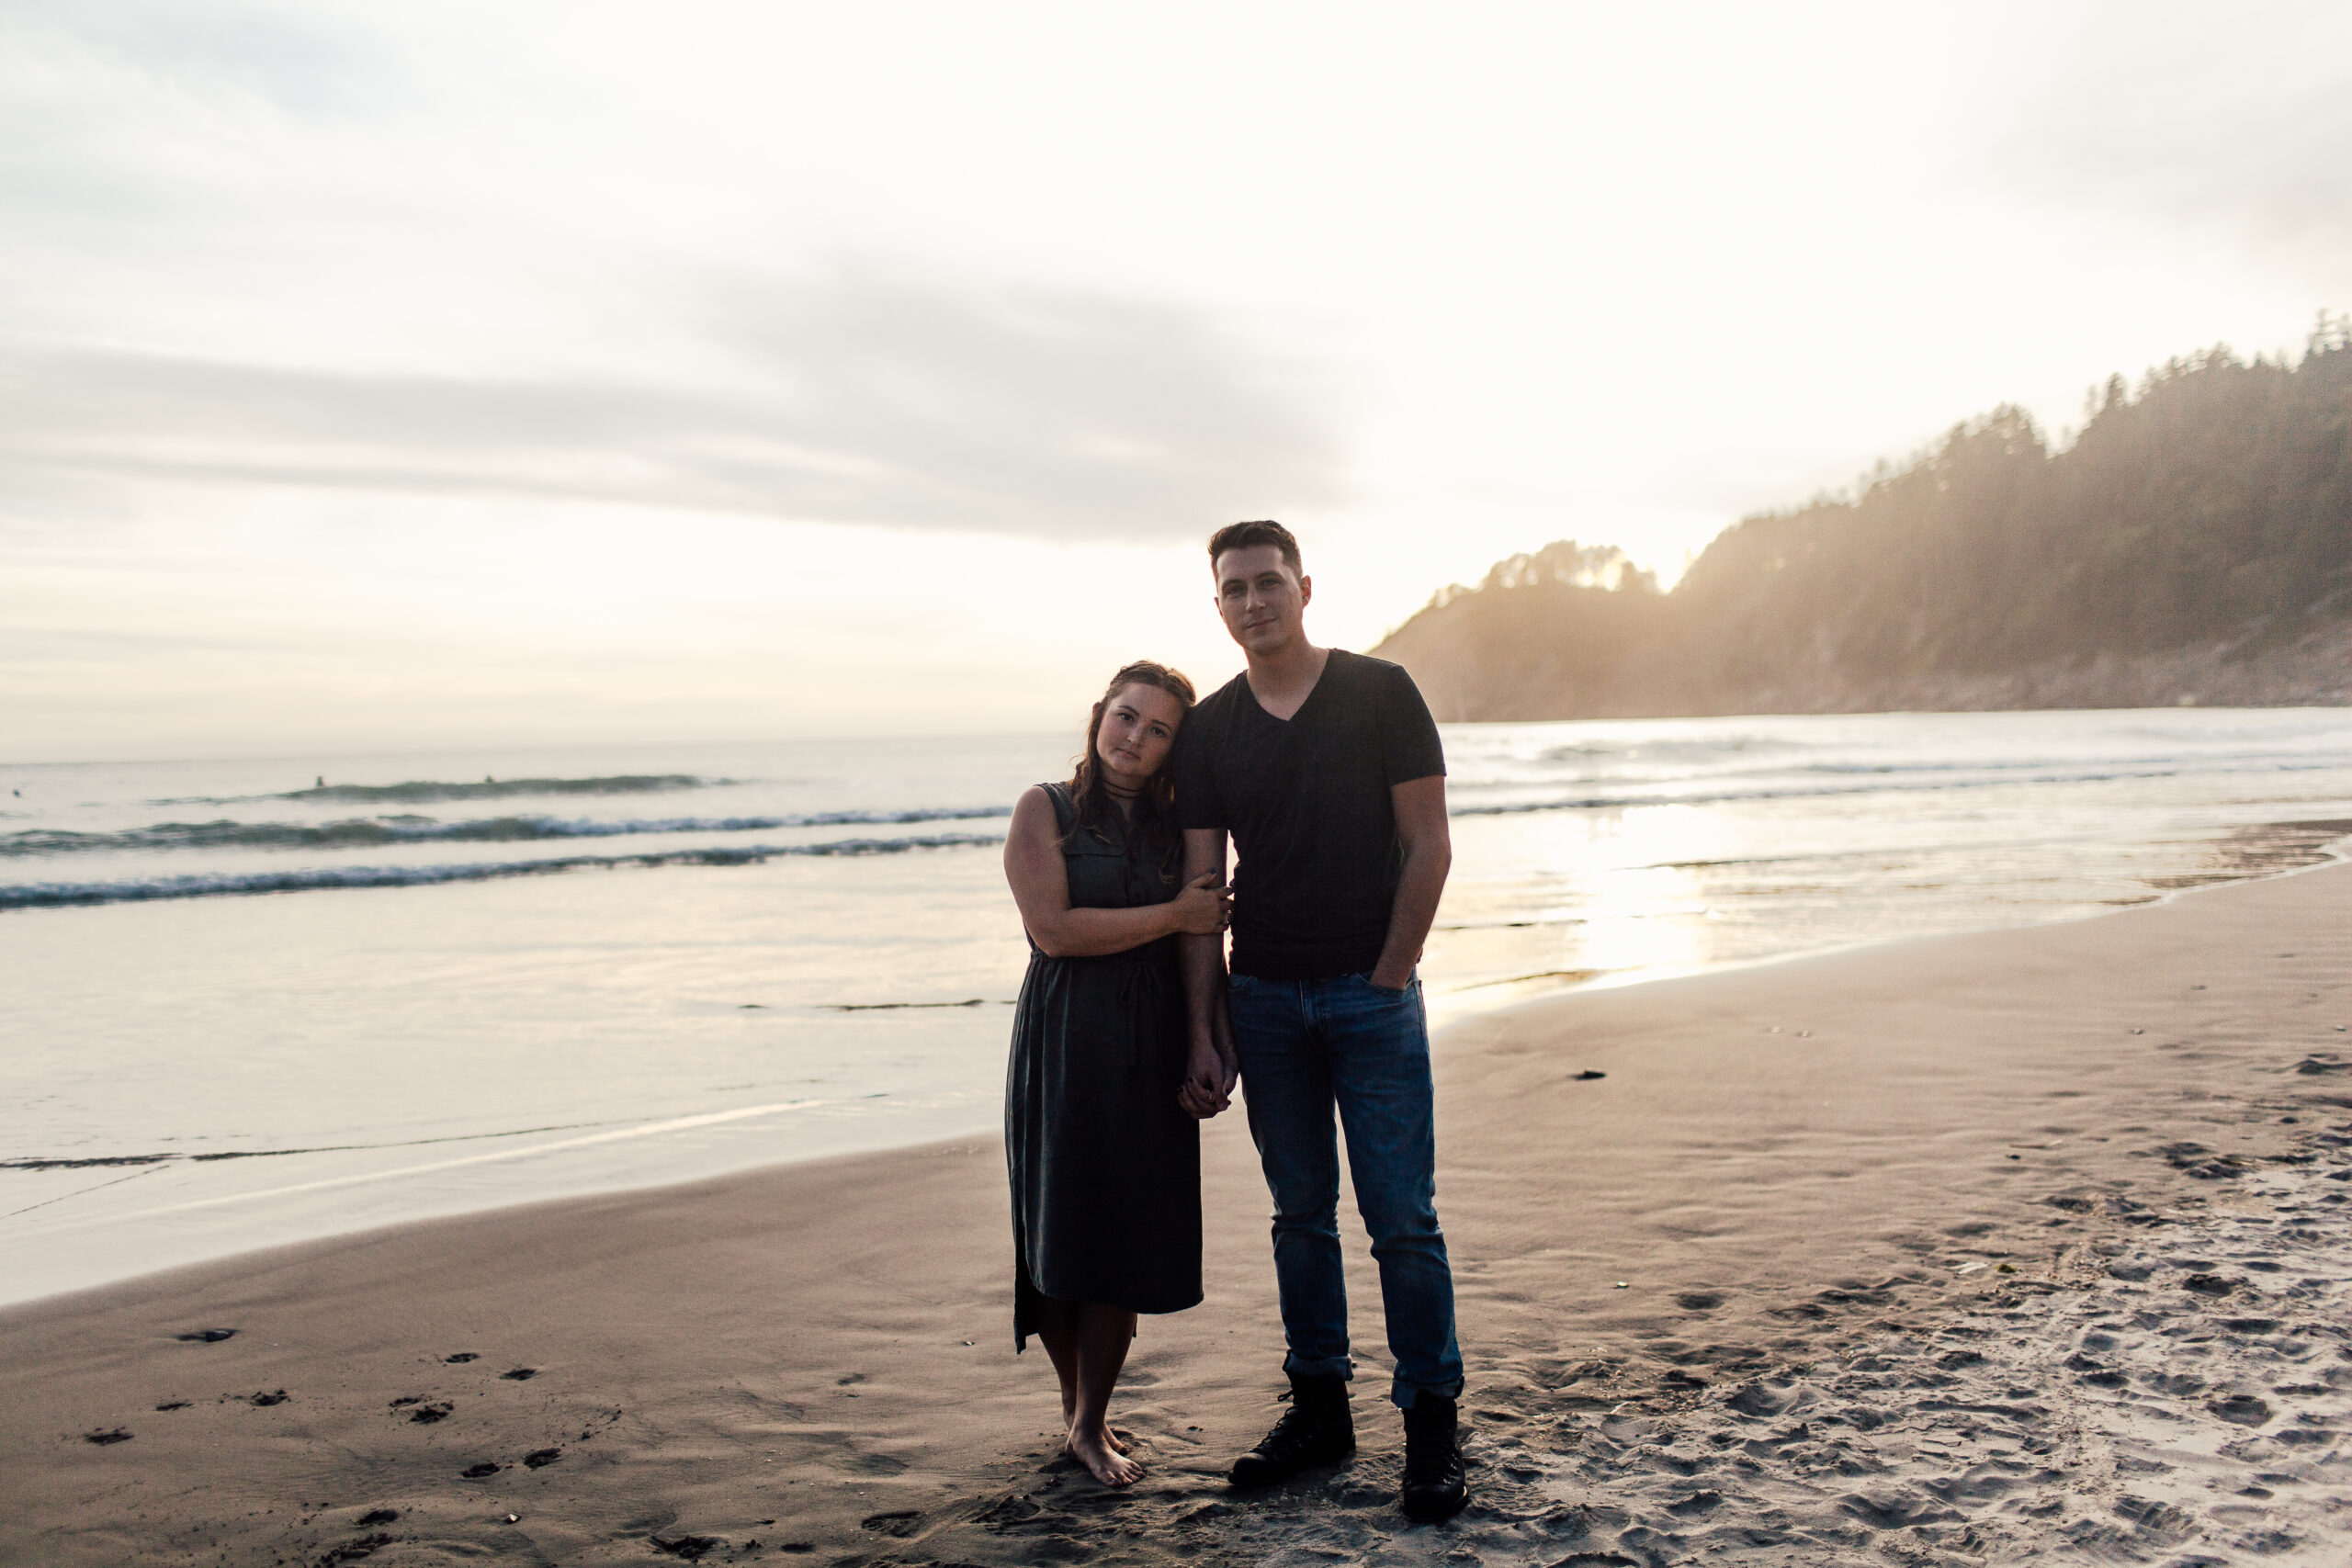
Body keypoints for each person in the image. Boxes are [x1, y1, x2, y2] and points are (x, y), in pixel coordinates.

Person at [1170, 520, 1469, 1522]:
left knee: (1402, 1220)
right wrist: (1207, 1026)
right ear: (1219, 607)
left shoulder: (1382, 692)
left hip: (1369, 996)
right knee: (1299, 1216)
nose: (1253, 602)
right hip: (1262, 998)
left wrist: (1390, 973)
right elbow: (1202, 893)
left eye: (1268, 582)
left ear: (1304, 587)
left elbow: (1428, 845)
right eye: (1234, 589)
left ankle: (1431, 1423)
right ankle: (1320, 1411)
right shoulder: (1209, 730)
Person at [1002, 660, 1234, 1487]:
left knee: (1125, 1232)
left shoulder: (1182, 827)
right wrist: (1175, 912)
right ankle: (1077, 1409)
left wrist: (1213, 1041)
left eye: (1159, 728)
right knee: (1061, 1228)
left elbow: (1205, 939)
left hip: (1154, 1037)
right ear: (1101, 713)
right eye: (1127, 716)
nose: (1135, 737)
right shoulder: (1046, 809)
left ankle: (1090, 1417)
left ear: (1175, 747)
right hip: (1066, 1038)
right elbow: (1055, 930)